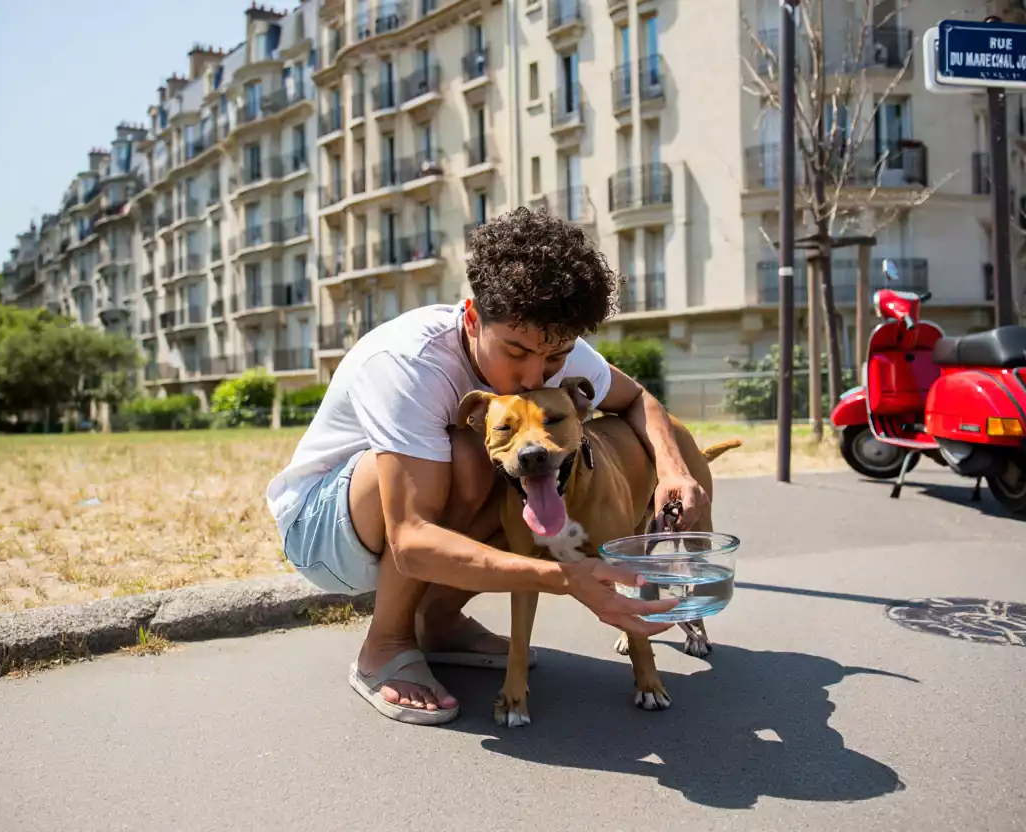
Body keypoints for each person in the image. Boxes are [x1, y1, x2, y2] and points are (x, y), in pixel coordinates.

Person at [265, 208, 709, 725]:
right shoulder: (410, 362)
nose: (532, 376)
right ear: (473, 318)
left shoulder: (549, 346)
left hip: (408, 520)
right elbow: (410, 539)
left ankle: (439, 624)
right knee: (475, 455)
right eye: (516, 352)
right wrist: (565, 577)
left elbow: (638, 401)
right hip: (325, 532)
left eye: (554, 358)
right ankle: (384, 646)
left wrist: (675, 470)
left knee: (523, 475)